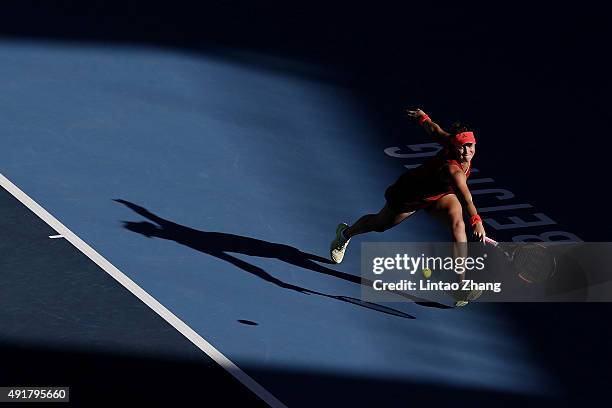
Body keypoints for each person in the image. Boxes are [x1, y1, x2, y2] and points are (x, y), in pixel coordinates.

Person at [329, 108, 486, 305]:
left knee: (458, 226)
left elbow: (435, 131)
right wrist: (476, 219)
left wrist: (423, 118)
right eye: (463, 147)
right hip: (411, 194)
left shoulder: (451, 142)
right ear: (455, 146)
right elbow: (466, 199)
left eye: (470, 146)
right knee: (380, 224)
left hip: (439, 195)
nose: (467, 151)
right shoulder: (454, 171)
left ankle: (459, 286)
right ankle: (345, 234)